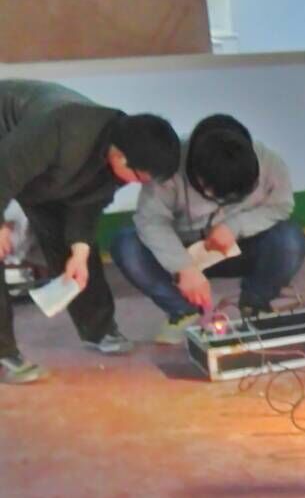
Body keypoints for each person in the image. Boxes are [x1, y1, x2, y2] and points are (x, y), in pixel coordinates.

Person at [0, 78, 180, 385]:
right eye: (139, 177)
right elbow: (4, 171)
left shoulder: (124, 145)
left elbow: (87, 204)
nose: (139, 184)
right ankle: (3, 354)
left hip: (40, 174)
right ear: (120, 157)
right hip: (10, 152)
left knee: (74, 250)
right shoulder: (61, 130)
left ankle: (98, 329)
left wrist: (79, 252)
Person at [110, 114, 305, 342]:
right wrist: (182, 267)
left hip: (237, 247)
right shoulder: (169, 165)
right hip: (181, 249)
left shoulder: (269, 162)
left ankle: (255, 304)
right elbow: (151, 221)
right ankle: (182, 311)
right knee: (127, 245)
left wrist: (235, 226)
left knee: (290, 239)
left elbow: (281, 206)